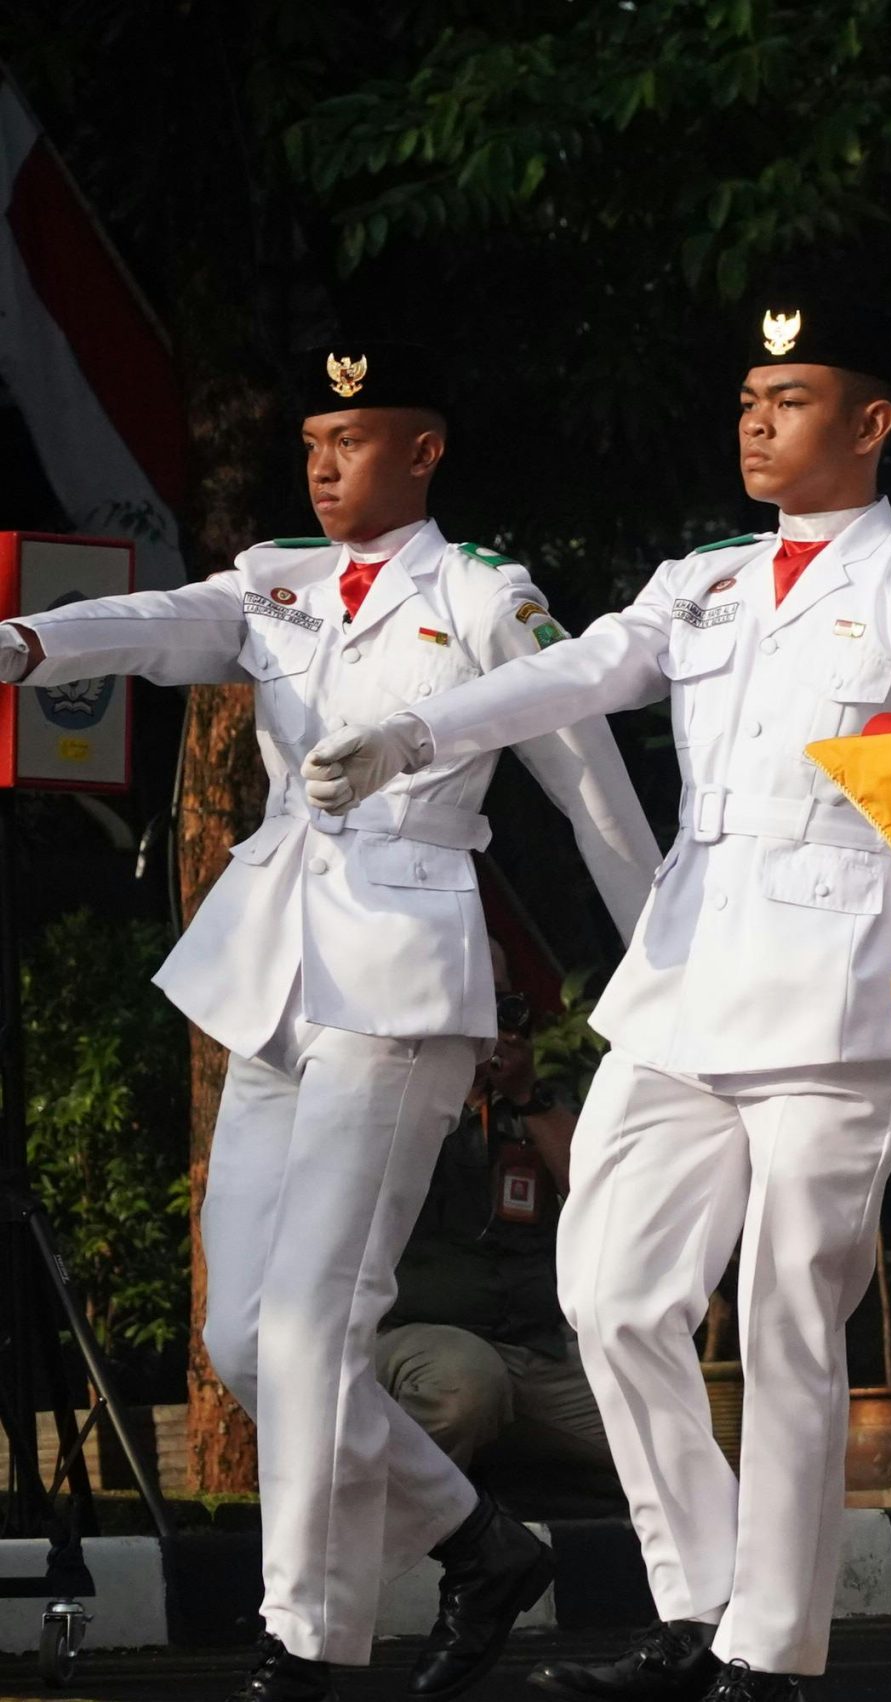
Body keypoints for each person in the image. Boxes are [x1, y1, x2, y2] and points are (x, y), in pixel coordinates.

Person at [303, 283, 891, 1702]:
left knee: (786, 1314)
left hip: (839, 991)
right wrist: (411, 730)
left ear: (872, 421)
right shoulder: (698, 577)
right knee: (612, 1287)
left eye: (794, 400)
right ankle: (699, 1603)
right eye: (751, 403)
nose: (759, 422)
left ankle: (773, 1647)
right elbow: (575, 673)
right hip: (686, 978)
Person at [0, 340, 657, 1702]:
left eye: (352, 439)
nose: (323, 462)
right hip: (277, 967)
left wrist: (662, 959)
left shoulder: (485, 597)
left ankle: (304, 1638)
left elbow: (589, 784)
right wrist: (29, 640)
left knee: (312, 1321)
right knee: (247, 1338)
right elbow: (168, 623)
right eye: (312, 439)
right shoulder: (282, 578)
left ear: (422, 450)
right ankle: (478, 1543)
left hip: (401, 976)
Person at [375, 941, 617, 1510]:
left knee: (663, 1439)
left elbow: (602, 1194)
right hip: (411, 1337)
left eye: (505, 1003)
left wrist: (524, 1096)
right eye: (475, 1003)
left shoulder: (532, 1103)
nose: (495, 1022)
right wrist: (449, 1082)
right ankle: (393, 1539)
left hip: (534, 1346)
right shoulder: (391, 1087)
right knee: (465, 1383)